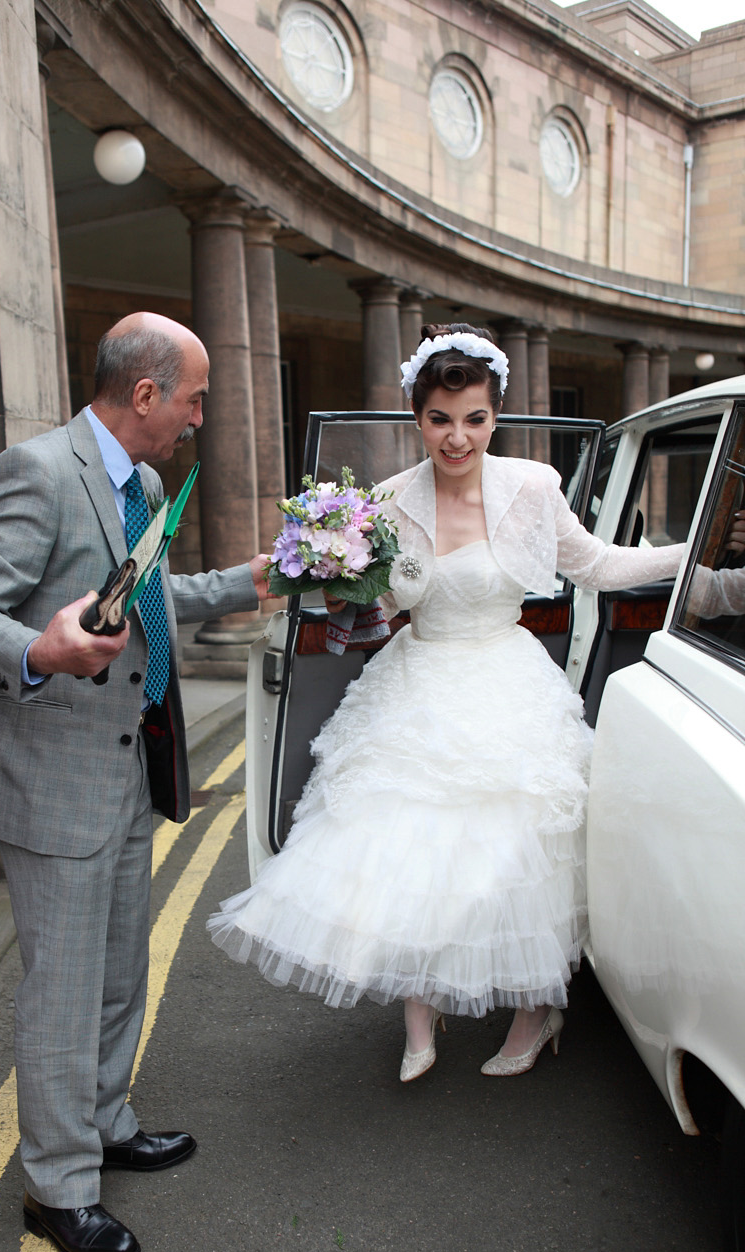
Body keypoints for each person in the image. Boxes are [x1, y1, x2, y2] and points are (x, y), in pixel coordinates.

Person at [208, 323, 709, 1081]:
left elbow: (600, 566)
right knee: (404, 845)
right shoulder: (382, 502)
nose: (457, 437)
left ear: (494, 416)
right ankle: (420, 1011)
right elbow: (367, 601)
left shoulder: (535, 487)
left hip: (505, 679)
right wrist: (328, 569)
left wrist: (696, 554)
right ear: (417, 417)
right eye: (440, 419)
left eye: (474, 418)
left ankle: (536, 1014)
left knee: (520, 850)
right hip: (418, 678)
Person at [0, 313, 269, 1252]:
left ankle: (106, 1122)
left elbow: (149, 602)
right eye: (196, 399)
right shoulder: (37, 472)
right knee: (65, 995)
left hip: (130, 768)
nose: (201, 419)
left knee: (122, 973)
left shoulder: (148, 483)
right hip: (52, 784)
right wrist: (40, 650)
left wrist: (248, 581)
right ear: (148, 395)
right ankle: (59, 1187)